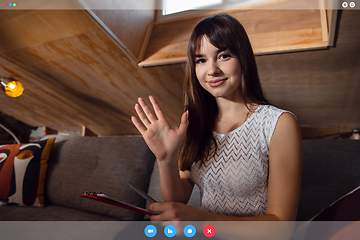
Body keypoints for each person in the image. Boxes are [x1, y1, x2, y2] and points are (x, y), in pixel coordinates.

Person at [131, 13, 303, 221]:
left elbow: (281, 225)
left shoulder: (278, 124)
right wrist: (166, 159)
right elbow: (178, 197)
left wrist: (201, 220)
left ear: (243, 57)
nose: (212, 70)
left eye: (223, 56)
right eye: (201, 60)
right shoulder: (195, 123)